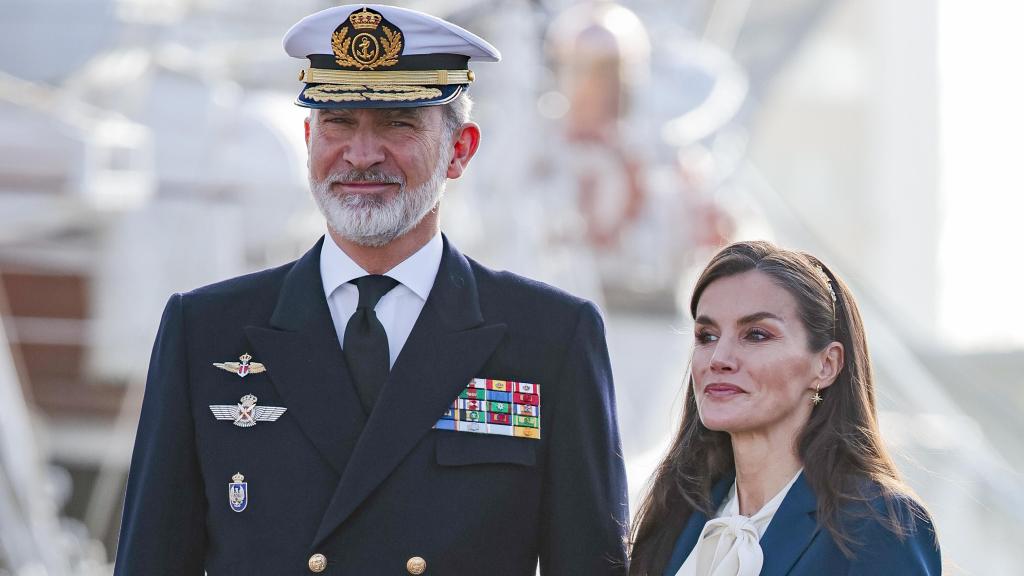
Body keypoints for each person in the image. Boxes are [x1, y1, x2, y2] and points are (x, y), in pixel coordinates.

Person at [113, 4, 628, 575]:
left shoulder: (551, 338)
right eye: (338, 121)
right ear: (308, 138)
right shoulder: (205, 330)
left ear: (460, 150)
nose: (361, 154)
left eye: (396, 122)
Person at [628, 241, 941, 575]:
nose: (719, 359)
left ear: (826, 364)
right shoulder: (673, 517)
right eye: (707, 336)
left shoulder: (879, 524)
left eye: (757, 335)